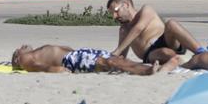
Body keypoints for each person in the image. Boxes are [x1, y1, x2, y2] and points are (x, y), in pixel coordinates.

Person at [107, 0, 203, 64]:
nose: (114, 16)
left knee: (171, 23)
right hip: (149, 53)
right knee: (165, 52)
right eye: (112, 14)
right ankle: (181, 61)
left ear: (126, 5)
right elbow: (122, 55)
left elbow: (138, 28)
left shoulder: (146, 10)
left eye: (116, 11)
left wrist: (117, 51)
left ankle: (201, 52)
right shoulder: (124, 30)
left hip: (166, 39)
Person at [9, 43, 161, 75]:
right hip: (72, 61)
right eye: (19, 48)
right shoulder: (24, 59)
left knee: (116, 59)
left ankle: (143, 66)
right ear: (16, 58)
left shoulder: (33, 51)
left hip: (80, 53)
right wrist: (57, 70)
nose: (22, 45)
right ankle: (145, 71)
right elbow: (37, 67)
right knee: (110, 62)